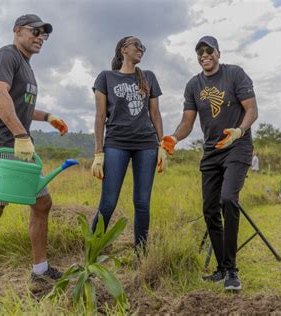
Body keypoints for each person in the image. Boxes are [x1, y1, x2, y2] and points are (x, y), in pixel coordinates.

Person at [0, 14, 69, 308]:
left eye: (44, 34)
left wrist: (47, 116)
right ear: (18, 31)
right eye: (35, 31)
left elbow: (20, 102)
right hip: (2, 146)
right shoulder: (6, 56)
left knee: (42, 203)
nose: (40, 37)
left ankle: (40, 270)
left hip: (21, 146)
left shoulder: (27, 68)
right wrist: (21, 135)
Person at [161, 36, 258, 291]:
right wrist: (174, 137)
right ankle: (222, 268)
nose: (204, 55)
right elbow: (187, 122)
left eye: (209, 50)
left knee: (228, 199)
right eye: (200, 52)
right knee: (209, 210)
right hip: (211, 152)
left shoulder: (235, 74)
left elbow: (252, 110)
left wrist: (239, 130)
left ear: (218, 53)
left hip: (237, 146)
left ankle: (233, 271)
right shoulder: (193, 84)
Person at [90, 36, 165, 256]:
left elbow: (155, 114)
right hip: (116, 143)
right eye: (137, 46)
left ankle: (141, 255)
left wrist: (162, 145)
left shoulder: (148, 77)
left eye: (144, 47)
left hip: (146, 144)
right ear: (124, 49)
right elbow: (100, 115)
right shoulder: (106, 77)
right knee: (108, 202)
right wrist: (98, 152)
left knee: (142, 202)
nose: (142, 49)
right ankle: (92, 252)